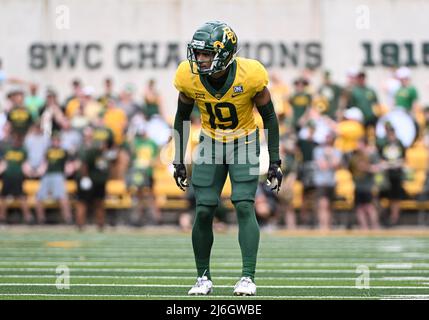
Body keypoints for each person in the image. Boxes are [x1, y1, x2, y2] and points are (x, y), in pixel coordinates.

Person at [172, 21, 282, 296]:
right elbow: (182, 116)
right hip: (210, 141)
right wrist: (178, 158)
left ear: (224, 53)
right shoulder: (189, 75)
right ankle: (203, 278)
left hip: (244, 140)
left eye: (206, 53)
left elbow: (269, 116)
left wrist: (275, 160)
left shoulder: (250, 74)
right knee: (204, 209)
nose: (199, 59)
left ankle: (247, 277)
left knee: (244, 205)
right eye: (197, 53)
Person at [35, 133, 73, 224]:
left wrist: (68, 170)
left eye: (57, 140)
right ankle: (41, 219)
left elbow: (69, 164)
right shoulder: (48, 151)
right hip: (47, 175)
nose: (56, 142)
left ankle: (68, 218)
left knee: (62, 196)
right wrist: (39, 171)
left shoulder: (64, 151)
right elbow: (44, 163)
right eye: (54, 140)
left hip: (58, 175)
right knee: (39, 197)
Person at [0, 135, 33, 224]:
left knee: (21, 197)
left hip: (18, 177)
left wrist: (30, 173)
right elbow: (3, 163)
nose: (16, 142)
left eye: (18, 140)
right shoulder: (7, 149)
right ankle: (2, 218)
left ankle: (28, 217)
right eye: (15, 140)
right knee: (3, 197)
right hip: (7, 177)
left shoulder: (23, 151)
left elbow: (25, 165)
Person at [349, 137, 380, 230]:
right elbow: (350, 168)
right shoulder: (354, 156)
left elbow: (377, 168)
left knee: (369, 207)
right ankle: (364, 228)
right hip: (357, 185)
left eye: (359, 144)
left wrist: (366, 167)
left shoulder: (371, 155)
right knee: (359, 208)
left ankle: (375, 227)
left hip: (367, 185)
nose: (357, 146)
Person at [313, 132, 342, 230]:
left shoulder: (337, 151)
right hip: (321, 181)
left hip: (331, 181)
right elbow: (323, 166)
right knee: (323, 205)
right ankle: (323, 226)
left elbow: (336, 165)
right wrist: (328, 157)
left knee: (330, 206)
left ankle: (329, 226)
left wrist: (330, 154)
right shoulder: (318, 150)